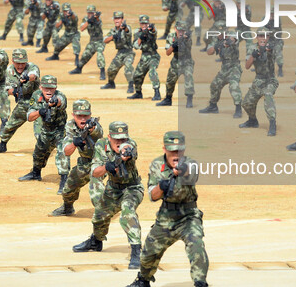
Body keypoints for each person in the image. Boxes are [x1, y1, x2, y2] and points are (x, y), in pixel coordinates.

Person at [125, 131, 208, 287]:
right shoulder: (157, 165)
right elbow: (152, 196)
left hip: (188, 216)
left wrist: (180, 171)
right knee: (148, 251)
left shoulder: (191, 163)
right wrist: (161, 186)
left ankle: (200, 282)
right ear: (164, 149)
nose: (176, 154)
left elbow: (192, 174)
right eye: (172, 150)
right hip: (166, 216)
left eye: (179, 150)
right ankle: (143, 280)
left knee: (196, 244)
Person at [72, 121, 144, 271]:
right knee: (99, 217)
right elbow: (95, 172)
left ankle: (137, 251)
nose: (120, 142)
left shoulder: (131, 145)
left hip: (132, 187)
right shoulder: (101, 145)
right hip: (113, 189)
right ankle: (96, 241)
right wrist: (107, 167)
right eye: (116, 138)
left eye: (123, 138)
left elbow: (128, 150)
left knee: (127, 211)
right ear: (109, 136)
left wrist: (124, 154)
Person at [49, 99, 105, 215]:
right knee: (69, 187)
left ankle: (102, 213)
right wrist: (75, 143)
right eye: (79, 116)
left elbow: (98, 132)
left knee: (96, 188)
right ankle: (67, 207)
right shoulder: (70, 126)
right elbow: (67, 151)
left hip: (101, 162)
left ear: (90, 115)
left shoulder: (94, 125)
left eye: (86, 115)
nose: (83, 119)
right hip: (84, 163)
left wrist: (91, 129)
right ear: (73, 115)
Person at [18, 75, 70, 194]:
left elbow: (62, 103)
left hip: (60, 130)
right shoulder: (36, 96)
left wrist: (55, 102)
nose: (48, 91)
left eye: (51, 88)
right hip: (46, 129)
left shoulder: (60, 96)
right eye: (46, 87)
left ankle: (64, 180)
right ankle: (36, 173)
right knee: (38, 152)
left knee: (62, 153)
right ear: (41, 87)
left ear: (55, 87)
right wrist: (40, 111)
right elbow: (29, 117)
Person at [0, 49, 40, 154]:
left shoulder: (32, 67)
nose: (20, 66)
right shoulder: (9, 70)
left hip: (37, 102)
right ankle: (2, 144)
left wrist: (27, 78)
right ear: (12, 61)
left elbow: (33, 75)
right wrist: (15, 91)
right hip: (23, 101)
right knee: (10, 125)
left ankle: (43, 148)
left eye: (23, 63)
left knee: (40, 128)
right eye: (18, 63)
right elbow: (8, 89)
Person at [239, 31, 279, 136]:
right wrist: (253, 56)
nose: (263, 38)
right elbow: (247, 66)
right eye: (261, 36)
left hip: (270, 80)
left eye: (266, 36)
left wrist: (266, 50)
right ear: (257, 37)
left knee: (268, 95)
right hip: (259, 80)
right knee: (246, 103)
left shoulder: (272, 46)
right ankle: (252, 120)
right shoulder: (252, 48)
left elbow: (272, 54)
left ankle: (272, 124)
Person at [198, 27, 242, 118]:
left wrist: (229, 42)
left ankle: (238, 109)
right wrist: (216, 46)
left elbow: (234, 40)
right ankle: (213, 106)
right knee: (214, 85)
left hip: (234, 68)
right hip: (224, 68)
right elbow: (209, 52)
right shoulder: (216, 40)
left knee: (234, 86)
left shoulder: (231, 35)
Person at [157, 21, 194, 108]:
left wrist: (183, 40)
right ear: (175, 29)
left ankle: (189, 100)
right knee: (170, 81)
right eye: (179, 30)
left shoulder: (188, 38)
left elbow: (187, 49)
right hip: (176, 61)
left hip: (187, 61)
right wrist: (174, 45)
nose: (181, 32)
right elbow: (168, 52)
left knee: (189, 78)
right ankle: (168, 99)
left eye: (183, 30)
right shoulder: (171, 36)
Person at [128, 15, 161, 101]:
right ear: (140, 23)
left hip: (153, 56)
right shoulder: (137, 32)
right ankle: (138, 93)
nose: (144, 25)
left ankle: (157, 92)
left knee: (152, 72)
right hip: (144, 57)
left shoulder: (152, 30)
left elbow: (154, 32)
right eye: (142, 23)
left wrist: (150, 30)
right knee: (136, 75)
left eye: (146, 23)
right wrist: (141, 37)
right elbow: (135, 46)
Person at [69, 5, 106, 80]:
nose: (90, 14)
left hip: (99, 41)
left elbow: (99, 23)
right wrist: (90, 20)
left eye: (92, 13)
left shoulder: (98, 19)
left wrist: (96, 18)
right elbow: (82, 28)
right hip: (92, 41)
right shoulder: (86, 19)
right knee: (85, 55)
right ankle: (78, 69)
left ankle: (102, 72)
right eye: (89, 13)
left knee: (99, 55)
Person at [102, 12, 135, 93]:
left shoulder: (127, 28)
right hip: (120, 53)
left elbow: (128, 30)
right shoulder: (113, 30)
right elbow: (105, 40)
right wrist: (113, 36)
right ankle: (111, 83)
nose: (117, 20)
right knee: (111, 70)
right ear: (113, 20)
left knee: (128, 67)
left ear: (122, 19)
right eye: (115, 18)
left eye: (119, 18)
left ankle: (131, 85)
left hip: (128, 52)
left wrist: (124, 27)